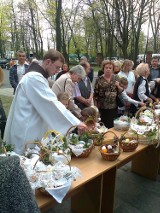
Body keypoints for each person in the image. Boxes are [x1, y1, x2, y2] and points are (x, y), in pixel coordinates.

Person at [4, 49, 86, 155]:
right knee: (25, 159)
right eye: (57, 67)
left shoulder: (38, 77)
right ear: (48, 62)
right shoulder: (34, 78)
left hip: (31, 125)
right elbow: (52, 104)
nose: (57, 71)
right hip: (27, 129)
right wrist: (76, 123)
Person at [94, 60, 123, 128]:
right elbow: (95, 94)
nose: (108, 69)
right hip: (102, 107)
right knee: (103, 126)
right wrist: (96, 108)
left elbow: (121, 91)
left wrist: (118, 86)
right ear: (103, 69)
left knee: (113, 125)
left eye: (110, 68)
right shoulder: (99, 79)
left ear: (113, 69)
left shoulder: (116, 78)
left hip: (113, 107)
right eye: (106, 67)